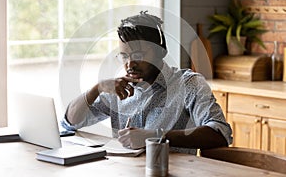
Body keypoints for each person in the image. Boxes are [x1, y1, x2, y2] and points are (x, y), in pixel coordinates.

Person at [61, 11, 232, 154]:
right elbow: (71, 122)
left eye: (138, 55)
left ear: (161, 52)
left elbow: (220, 134)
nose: (129, 64)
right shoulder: (118, 89)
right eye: (124, 56)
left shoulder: (189, 84)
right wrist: (97, 88)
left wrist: (155, 136)